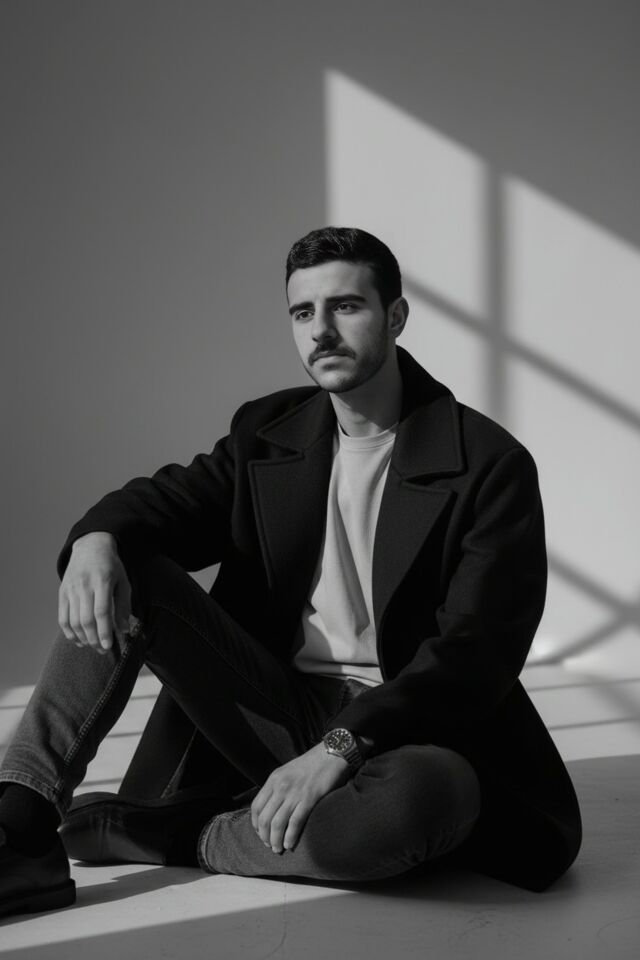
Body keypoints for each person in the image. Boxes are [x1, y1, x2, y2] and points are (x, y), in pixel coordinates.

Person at [0, 227, 581, 918]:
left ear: (395, 316)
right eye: (303, 312)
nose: (321, 331)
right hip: (273, 708)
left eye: (346, 307)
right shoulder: (269, 433)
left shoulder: (487, 463)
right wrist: (97, 540)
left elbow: (474, 655)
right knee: (125, 566)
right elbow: (165, 504)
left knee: (426, 800)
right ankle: (20, 823)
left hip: (408, 729)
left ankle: (181, 835)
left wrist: (343, 744)